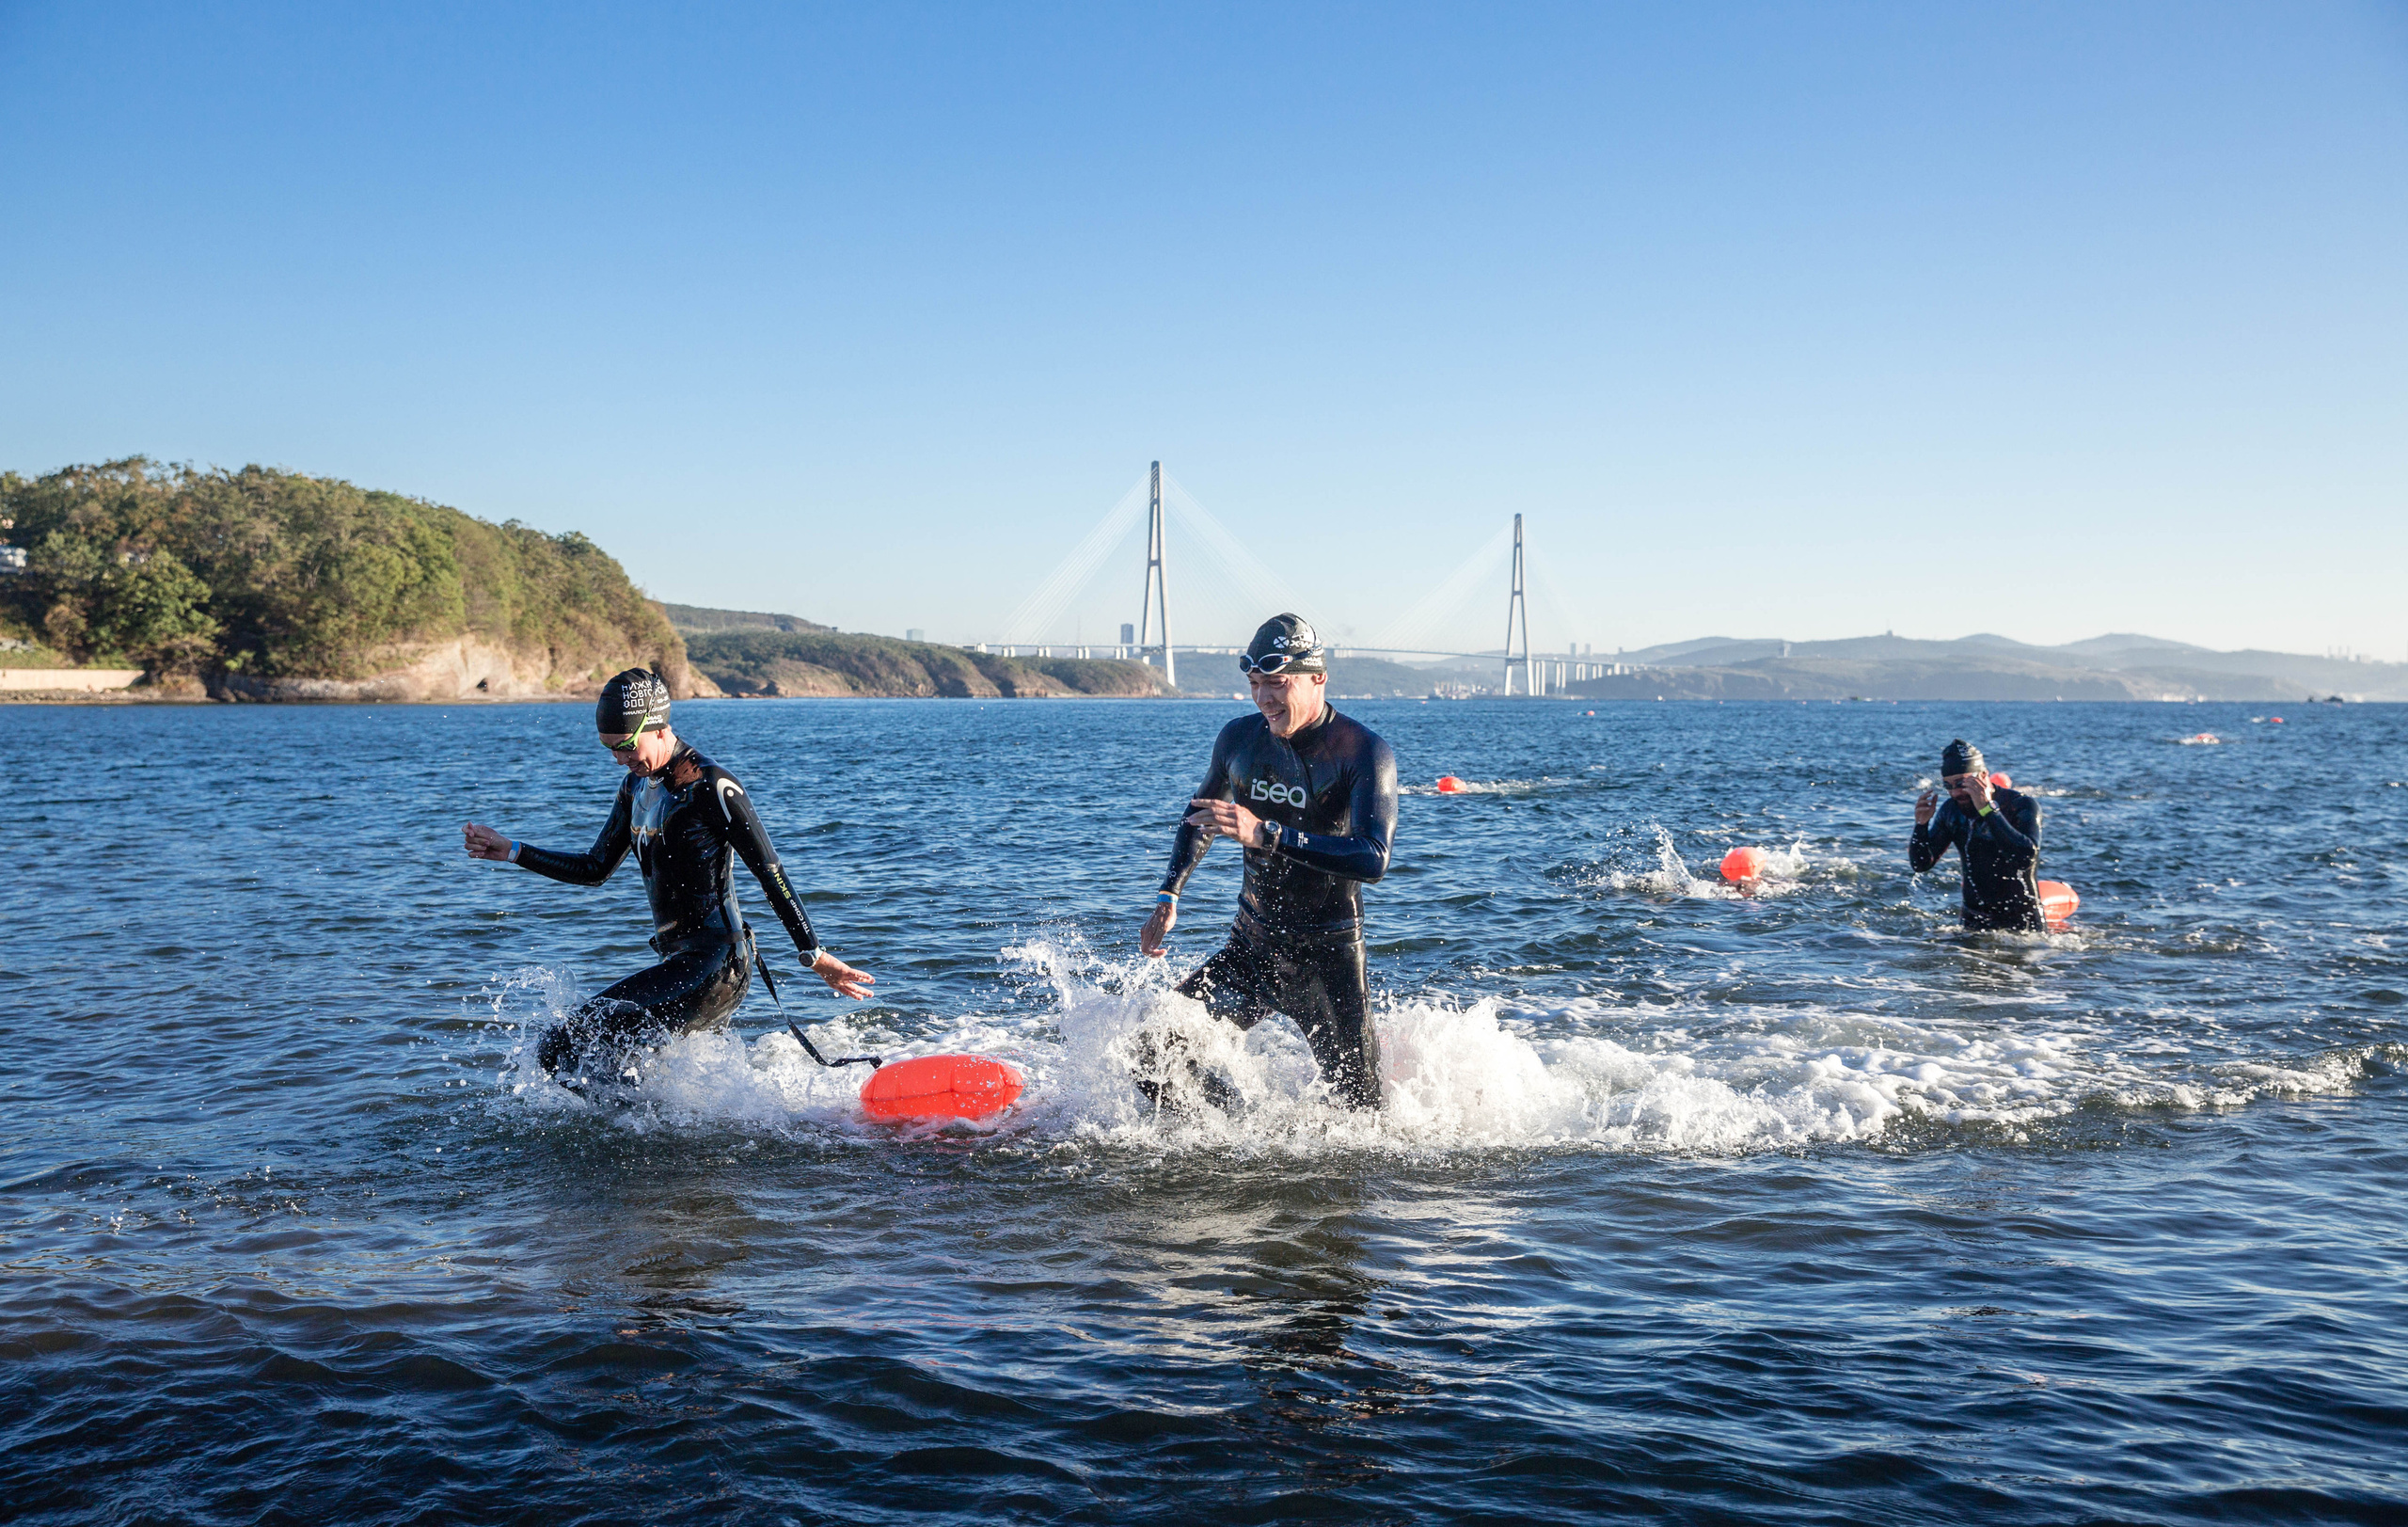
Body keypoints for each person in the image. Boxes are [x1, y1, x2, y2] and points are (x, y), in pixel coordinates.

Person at [462, 669, 873, 1081]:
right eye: (609, 748)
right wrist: (514, 851)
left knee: (563, 1046)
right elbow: (594, 869)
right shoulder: (635, 789)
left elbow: (771, 873)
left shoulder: (712, 787)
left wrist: (814, 955)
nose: (619, 758)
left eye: (625, 746)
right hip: (682, 964)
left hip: (714, 965)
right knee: (615, 1067)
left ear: (657, 727)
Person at [1139, 614, 1399, 1110]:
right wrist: (1169, 894)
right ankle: (1229, 1134)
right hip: (1253, 947)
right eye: (1255, 684)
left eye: (1277, 683)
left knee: (1364, 1118)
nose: (1264, 698)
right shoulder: (1239, 739)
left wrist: (1266, 834)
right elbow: (1199, 816)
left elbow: (1373, 858)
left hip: (1329, 959)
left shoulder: (1363, 751)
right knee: (1152, 1056)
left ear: (1317, 677)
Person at [1910, 738, 2044, 931]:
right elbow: (1921, 864)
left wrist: (1988, 810)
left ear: (1983, 775)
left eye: (1961, 783)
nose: (1955, 793)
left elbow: (2025, 858)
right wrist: (1921, 825)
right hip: (1972, 922)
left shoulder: (2020, 805)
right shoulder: (1951, 810)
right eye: (1948, 785)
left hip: (2022, 924)